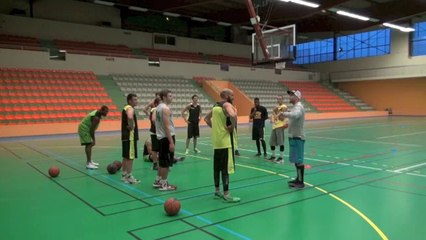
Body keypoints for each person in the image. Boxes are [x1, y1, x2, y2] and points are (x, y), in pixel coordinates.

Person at [204, 88, 240, 203]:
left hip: (217, 142)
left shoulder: (216, 106)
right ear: (226, 95)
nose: (233, 97)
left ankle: (217, 191)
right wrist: (232, 126)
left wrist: (216, 129)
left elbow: (206, 119)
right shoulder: (227, 104)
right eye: (232, 95)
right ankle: (226, 194)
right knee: (225, 169)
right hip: (225, 142)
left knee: (217, 168)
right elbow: (233, 115)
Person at [280, 90, 305, 189]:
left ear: (297, 97)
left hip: (298, 137)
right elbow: (294, 118)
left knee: (299, 160)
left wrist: (284, 113)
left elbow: (295, 115)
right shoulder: (295, 107)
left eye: (292, 95)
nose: (290, 97)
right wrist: (288, 124)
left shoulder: (299, 106)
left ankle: (301, 182)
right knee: (295, 160)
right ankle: (298, 179)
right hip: (294, 136)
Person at [153, 90, 177, 191]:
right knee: (165, 163)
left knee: (162, 161)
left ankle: (158, 181)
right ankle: (164, 184)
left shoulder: (158, 107)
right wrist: (171, 142)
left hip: (161, 137)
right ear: (164, 97)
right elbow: (167, 126)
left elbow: (154, 120)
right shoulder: (165, 108)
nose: (172, 97)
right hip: (167, 137)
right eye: (170, 96)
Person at [78, 105, 109, 169]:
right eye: (105, 112)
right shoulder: (96, 118)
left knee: (89, 145)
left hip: (86, 129)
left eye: (107, 112)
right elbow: (92, 130)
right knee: (88, 145)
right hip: (84, 129)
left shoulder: (97, 113)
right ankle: (88, 163)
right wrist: (94, 140)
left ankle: (90, 161)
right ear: (102, 110)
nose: (106, 113)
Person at [121, 93, 140, 184]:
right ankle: (129, 176)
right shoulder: (129, 108)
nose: (137, 101)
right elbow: (130, 116)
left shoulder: (125, 107)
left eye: (137, 99)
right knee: (130, 156)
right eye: (135, 100)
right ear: (129, 101)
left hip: (125, 136)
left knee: (125, 156)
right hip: (130, 136)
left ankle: (124, 175)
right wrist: (132, 126)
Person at [267, 95, 288, 163]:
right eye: (278, 99)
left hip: (280, 126)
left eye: (280, 99)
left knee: (281, 143)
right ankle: (273, 156)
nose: (278, 100)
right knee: (272, 143)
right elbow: (273, 116)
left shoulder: (284, 107)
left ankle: (281, 158)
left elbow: (282, 117)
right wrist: (272, 119)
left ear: (282, 100)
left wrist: (275, 113)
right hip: (274, 127)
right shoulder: (276, 107)